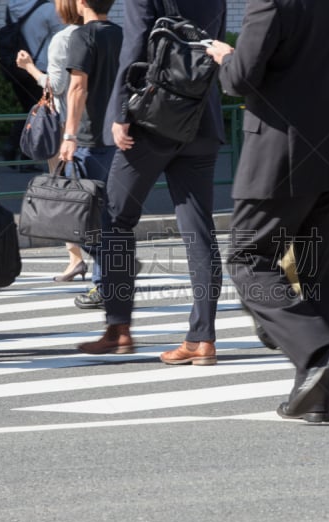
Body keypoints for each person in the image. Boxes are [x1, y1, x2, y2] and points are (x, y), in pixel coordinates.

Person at [205, 0, 329, 421]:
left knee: (246, 259)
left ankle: (317, 349)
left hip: (280, 152)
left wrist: (225, 58)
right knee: (319, 274)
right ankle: (315, 399)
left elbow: (241, 77)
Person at [77, 0, 224, 364]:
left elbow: (136, 45)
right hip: (201, 115)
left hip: (152, 117)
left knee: (116, 219)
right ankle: (202, 337)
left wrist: (121, 112)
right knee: (199, 229)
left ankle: (118, 329)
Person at [56, 0, 122, 310]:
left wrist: (68, 135)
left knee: (83, 219)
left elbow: (77, 87)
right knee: (109, 216)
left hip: (89, 140)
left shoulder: (82, 36)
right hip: (119, 138)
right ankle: (111, 279)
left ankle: (106, 283)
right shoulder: (123, 34)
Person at [16, 0, 86, 283]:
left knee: (64, 195)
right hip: (102, 129)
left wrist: (29, 67)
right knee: (99, 195)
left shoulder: (63, 39)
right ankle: (108, 258)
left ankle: (76, 259)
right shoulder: (110, 34)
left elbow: (55, 85)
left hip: (66, 127)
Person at [2, 0, 64, 163]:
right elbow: (62, 35)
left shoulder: (13, 6)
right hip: (40, 67)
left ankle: (14, 149)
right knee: (38, 111)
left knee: (29, 108)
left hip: (18, 65)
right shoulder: (48, 9)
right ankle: (26, 154)